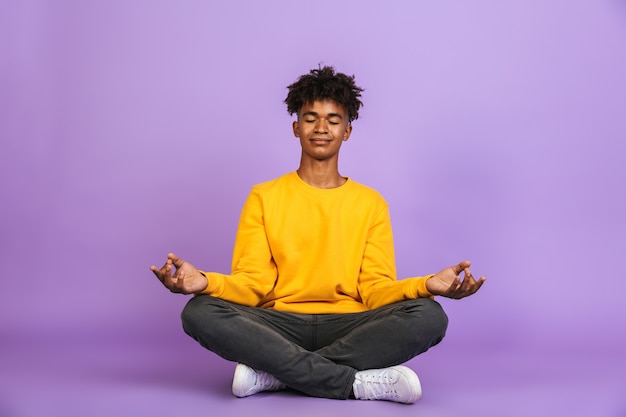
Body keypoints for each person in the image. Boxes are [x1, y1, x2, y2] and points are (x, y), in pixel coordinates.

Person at [150, 66, 485, 404]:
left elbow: (375, 290)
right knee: (199, 312)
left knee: (428, 316)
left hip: (351, 324)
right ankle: (353, 383)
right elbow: (252, 284)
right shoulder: (264, 196)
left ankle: (276, 374)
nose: (321, 128)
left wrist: (426, 286)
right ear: (296, 128)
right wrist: (204, 283)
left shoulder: (370, 204)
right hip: (278, 323)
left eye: (333, 120)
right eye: (310, 118)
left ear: (347, 131)